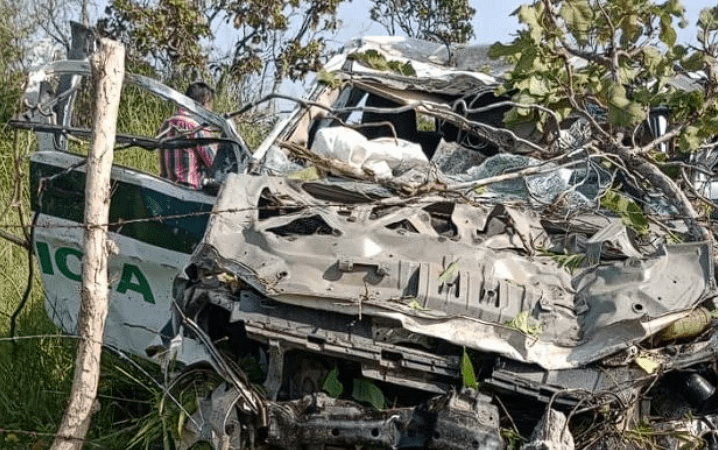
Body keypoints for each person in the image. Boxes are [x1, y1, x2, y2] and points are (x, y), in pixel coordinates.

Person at [158, 82, 216, 189]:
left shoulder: (166, 124)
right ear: (204, 103)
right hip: (191, 188)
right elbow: (213, 163)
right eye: (210, 106)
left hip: (166, 186)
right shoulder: (197, 126)